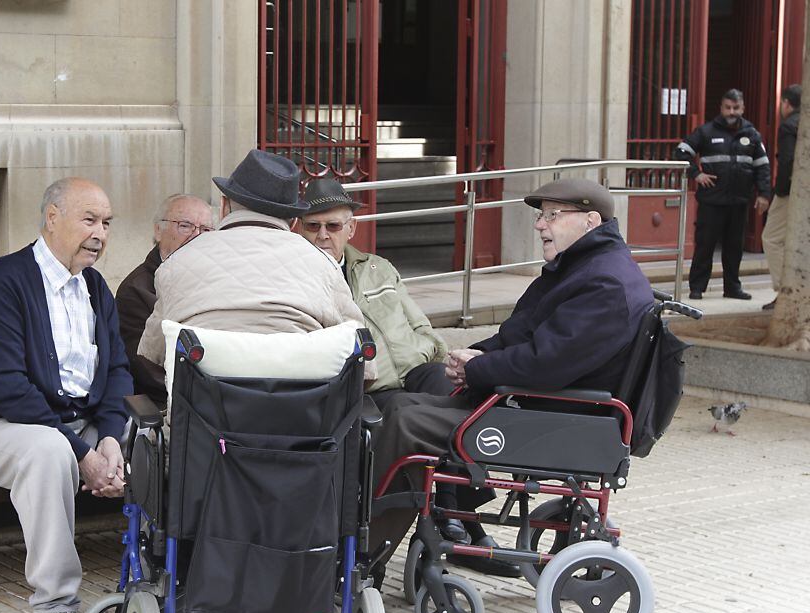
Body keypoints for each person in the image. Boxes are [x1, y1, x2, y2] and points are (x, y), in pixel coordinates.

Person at [368, 178, 654, 582]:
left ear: (591, 221)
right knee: (414, 388)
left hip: (551, 418)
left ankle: (363, 557)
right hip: (539, 406)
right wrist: (478, 355)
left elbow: (546, 364)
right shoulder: (581, 268)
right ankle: (433, 522)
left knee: (402, 420)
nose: (540, 224)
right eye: (542, 215)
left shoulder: (604, 283)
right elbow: (521, 334)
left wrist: (478, 369)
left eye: (552, 215)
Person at [0, 177, 133, 613]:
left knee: (157, 440)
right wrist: (83, 452)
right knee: (49, 452)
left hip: (75, 425)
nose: (100, 234)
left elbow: (116, 371)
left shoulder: (94, 286)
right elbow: (6, 388)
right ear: (51, 218)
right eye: (89, 220)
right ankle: (55, 605)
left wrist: (110, 438)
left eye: (107, 223)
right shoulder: (0, 282)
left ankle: (151, 586)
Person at [295, 178, 498, 565]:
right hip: (365, 387)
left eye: (333, 227)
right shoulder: (297, 278)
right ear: (298, 227)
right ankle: (454, 514)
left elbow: (423, 329)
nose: (323, 236)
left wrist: (428, 353)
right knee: (412, 409)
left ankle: (452, 507)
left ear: (351, 228)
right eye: (312, 226)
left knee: (452, 390)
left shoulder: (377, 268)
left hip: (415, 371)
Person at [137, 149, 366, 366]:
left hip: (204, 405)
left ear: (224, 206)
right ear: (294, 221)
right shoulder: (323, 265)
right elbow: (364, 362)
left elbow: (151, 355)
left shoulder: (176, 263)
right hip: (302, 405)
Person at [116, 194, 213, 408]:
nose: (197, 236)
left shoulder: (217, 282)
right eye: (185, 226)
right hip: (171, 406)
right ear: (158, 231)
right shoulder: (136, 289)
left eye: (206, 230)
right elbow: (146, 369)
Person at [675, 88, 771, 300]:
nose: (731, 112)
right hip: (711, 201)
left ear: (742, 108)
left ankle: (732, 288)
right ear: (721, 108)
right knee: (705, 246)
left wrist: (764, 194)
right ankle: (697, 288)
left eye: (736, 108)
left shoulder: (752, 134)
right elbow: (681, 152)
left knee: (734, 248)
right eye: (728, 107)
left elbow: (763, 166)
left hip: (739, 202)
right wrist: (696, 174)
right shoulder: (706, 132)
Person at [761, 84, 801, 311]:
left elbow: (786, 162)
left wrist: (780, 191)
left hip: (792, 191)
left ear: (786, 103)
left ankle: (785, 291)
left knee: (772, 238)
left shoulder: (788, 126)